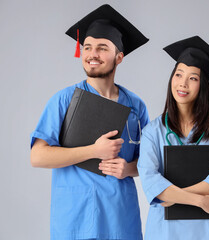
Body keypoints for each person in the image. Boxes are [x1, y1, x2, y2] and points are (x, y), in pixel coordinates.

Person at [30, 4, 149, 240]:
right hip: (75, 217)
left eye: (102, 48)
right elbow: (38, 156)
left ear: (119, 57)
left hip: (119, 217)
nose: (92, 54)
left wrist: (127, 169)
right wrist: (94, 150)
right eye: (87, 47)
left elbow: (147, 162)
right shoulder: (64, 100)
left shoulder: (136, 106)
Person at [137, 36, 209, 240]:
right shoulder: (153, 131)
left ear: (202, 85)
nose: (183, 83)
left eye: (193, 78)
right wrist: (200, 201)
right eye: (178, 74)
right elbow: (150, 182)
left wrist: (172, 196)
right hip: (167, 231)